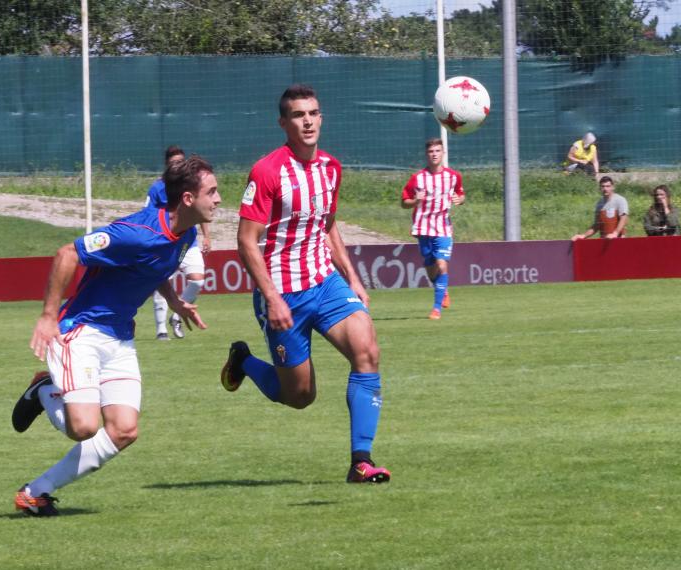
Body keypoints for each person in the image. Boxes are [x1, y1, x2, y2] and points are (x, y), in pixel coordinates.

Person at [11, 156, 220, 516]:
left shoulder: (184, 233)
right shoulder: (134, 233)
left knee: (123, 430)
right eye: (212, 192)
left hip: (121, 337)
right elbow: (67, 254)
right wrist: (47, 317)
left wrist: (176, 303)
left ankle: (35, 492)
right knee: (84, 428)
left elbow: (155, 268)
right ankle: (45, 388)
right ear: (188, 198)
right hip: (83, 331)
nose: (218, 199)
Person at [220, 84, 390, 484]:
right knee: (299, 396)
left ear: (321, 118)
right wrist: (271, 297)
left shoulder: (332, 167)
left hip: (325, 283)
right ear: (284, 123)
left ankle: (360, 462)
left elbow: (327, 226)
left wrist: (352, 276)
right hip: (283, 294)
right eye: (298, 115)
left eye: (313, 113)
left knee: (367, 350)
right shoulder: (266, 171)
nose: (308, 121)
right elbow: (246, 240)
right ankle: (243, 360)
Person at [147, 145, 212, 340]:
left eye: (180, 162)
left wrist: (206, 236)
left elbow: (200, 211)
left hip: (188, 241)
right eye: (173, 162)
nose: (177, 165)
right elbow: (149, 213)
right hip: (166, 241)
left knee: (198, 279)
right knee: (163, 279)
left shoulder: (191, 185)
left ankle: (176, 316)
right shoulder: (157, 187)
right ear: (167, 165)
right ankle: (161, 330)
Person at [401, 138, 465, 320]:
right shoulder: (418, 178)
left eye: (438, 151)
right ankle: (442, 289)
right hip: (423, 228)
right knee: (431, 270)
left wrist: (460, 200)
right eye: (431, 152)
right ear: (427, 155)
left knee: (442, 265)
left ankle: (436, 309)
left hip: (443, 227)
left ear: (443, 153)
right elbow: (403, 202)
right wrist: (415, 201)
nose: (434, 154)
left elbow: (461, 194)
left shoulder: (453, 176)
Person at [572, 176, 629, 241]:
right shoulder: (599, 204)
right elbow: (597, 225)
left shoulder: (620, 200)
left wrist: (615, 233)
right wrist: (583, 235)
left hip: (618, 240)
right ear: (600, 188)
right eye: (603, 186)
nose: (605, 189)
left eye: (608, 186)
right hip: (604, 240)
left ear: (613, 187)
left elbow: (624, 219)